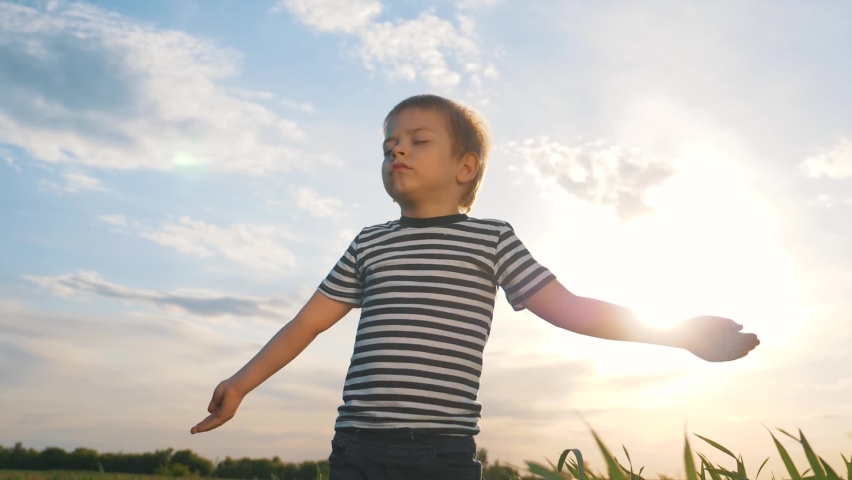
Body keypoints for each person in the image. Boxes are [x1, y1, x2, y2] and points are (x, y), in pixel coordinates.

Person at [190, 94, 761, 479]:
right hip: (357, 447)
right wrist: (241, 384)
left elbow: (570, 310)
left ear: (465, 168)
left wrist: (679, 332)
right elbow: (307, 322)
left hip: (443, 452)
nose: (395, 149)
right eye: (389, 143)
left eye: (417, 140)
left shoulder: (491, 240)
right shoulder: (369, 243)